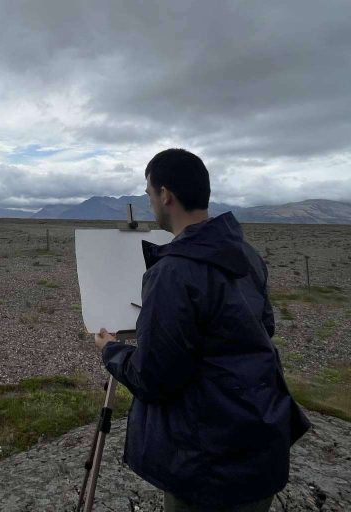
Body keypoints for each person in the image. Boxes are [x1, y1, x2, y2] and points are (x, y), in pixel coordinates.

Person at [93, 148, 311, 511]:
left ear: (166, 195)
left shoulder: (173, 272)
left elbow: (154, 376)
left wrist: (110, 349)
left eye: (149, 194)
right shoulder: (246, 253)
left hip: (208, 465)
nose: (149, 203)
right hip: (261, 442)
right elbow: (264, 326)